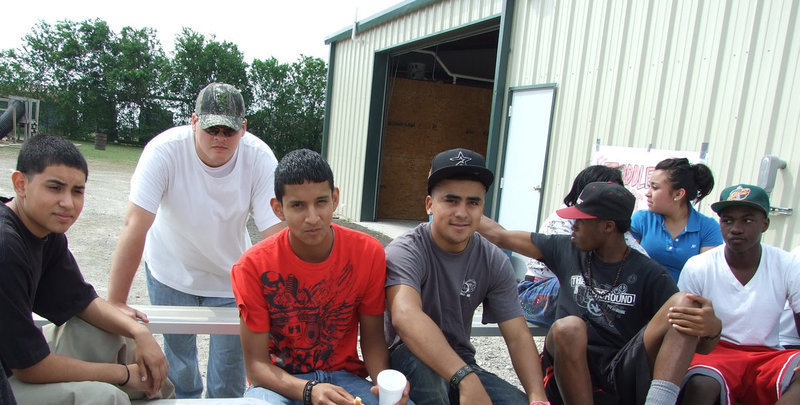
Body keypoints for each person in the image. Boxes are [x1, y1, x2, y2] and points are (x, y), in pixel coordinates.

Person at [107, 82, 284, 398]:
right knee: (179, 359)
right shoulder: (164, 151)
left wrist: (286, 302)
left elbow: (276, 236)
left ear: (243, 129)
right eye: (211, 128)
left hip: (232, 275)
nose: (219, 137)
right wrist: (116, 302)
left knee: (230, 366)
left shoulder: (259, 158)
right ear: (193, 122)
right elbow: (135, 225)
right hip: (170, 269)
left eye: (228, 130)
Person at [479, 181, 721, 405]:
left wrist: (711, 331)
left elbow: (699, 346)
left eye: (580, 222)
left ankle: (660, 401)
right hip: (569, 369)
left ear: (607, 226)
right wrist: (453, 206)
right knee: (568, 327)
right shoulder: (565, 249)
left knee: (684, 303)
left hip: (622, 371)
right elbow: (500, 236)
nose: (572, 227)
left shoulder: (649, 273)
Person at [0, 135, 172, 404]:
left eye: (77, 191)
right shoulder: (6, 247)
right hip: (9, 376)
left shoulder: (45, 230)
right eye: (55, 188)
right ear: (20, 184)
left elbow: (81, 301)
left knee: (110, 333)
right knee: (105, 396)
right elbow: (29, 365)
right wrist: (122, 374)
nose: (67, 203)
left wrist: (139, 332)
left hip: (17, 361)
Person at [231, 149, 409, 405]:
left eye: (321, 202)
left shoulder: (368, 253)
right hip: (280, 383)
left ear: (335, 199)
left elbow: (372, 339)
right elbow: (257, 367)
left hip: (344, 377)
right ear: (278, 209)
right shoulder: (252, 266)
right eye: (298, 205)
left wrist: (385, 383)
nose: (312, 217)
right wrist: (310, 390)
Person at [385, 148, 548, 405]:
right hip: (408, 357)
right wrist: (465, 379)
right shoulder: (406, 250)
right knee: (432, 385)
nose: (462, 212)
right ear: (430, 204)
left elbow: (517, 335)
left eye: (473, 202)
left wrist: (538, 397)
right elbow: (406, 316)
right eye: (451, 200)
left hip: (462, 362)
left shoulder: (493, 259)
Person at [677, 184, 800, 404]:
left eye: (747, 220)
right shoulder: (699, 266)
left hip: (767, 354)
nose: (736, 228)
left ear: (765, 224)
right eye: (727, 220)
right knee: (702, 383)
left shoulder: (788, 264)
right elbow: (683, 330)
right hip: (715, 352)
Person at [515, 165, 648, 327]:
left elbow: (642, 262)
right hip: (537, 291)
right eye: (607, 192)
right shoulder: (563, 219)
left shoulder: (615, 226)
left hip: (586, 300)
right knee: (581, 284)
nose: (615, 198)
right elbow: (579, 266)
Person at [630, 157, 722, 281]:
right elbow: (625, 263)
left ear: (678, 194)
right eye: (649, 186)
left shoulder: (708, 228)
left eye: (655, 187)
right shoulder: (641, 219)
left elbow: (706, 277)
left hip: (685, 297)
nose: (648, 193)